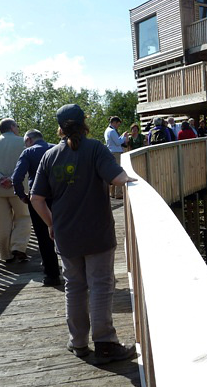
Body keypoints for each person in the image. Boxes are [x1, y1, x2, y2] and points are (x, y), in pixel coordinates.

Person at [31, 103, 137, 364]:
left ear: (60, 127)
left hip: (66, 234)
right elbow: (117, 178)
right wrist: (132, 178)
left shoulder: (50, 155)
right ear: (84, 123)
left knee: (74, 287)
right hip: (97, 231)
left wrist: (51, 224)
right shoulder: (95, 149)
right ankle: (105, 344)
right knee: (100, 285)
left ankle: (78, 342)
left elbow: (36, 198)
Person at [11, 129, 61, 286]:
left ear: (29, 140)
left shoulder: (28, 153)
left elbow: (17, 178)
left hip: (38, 199)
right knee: (66, 231)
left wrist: (22, 196)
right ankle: (75, 270)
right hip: (60, 197)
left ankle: (52, 275)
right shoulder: (56, 148)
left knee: (43, 236)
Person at [0, 118, 32, 263]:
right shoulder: (24, 142)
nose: (18, 129)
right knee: (24, 217)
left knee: (1, 223)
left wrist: (0, 179)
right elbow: (29, 163)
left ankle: (5, 255)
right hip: (20, 187)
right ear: (12, 127)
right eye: (17, 126)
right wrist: (12, 179)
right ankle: (18, 247)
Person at [104, 116, 129, 199]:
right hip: (116, 153)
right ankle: (118, 193)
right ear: (114, 122)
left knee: (113, 172)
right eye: (118, 124)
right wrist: (124, 137)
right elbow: (118, 142)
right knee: (118, 172)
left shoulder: (107, 130)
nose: (118, 126)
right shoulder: (112, 131)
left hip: (111, 152)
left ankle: (112, 192)